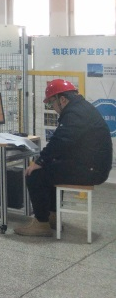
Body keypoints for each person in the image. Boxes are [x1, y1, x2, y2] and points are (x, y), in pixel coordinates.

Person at [14, 79, 112, 236]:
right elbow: (65, 142)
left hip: (91, 170)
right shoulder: (81, 108)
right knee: (51, 169)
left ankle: (41, 223)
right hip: (92, 166)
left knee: (35, 174)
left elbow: (61, 140)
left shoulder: (75, 113)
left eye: (51, 102)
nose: (52, 107)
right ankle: (51, 216)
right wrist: (47, 160)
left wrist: (40, 162)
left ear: (63, 99)